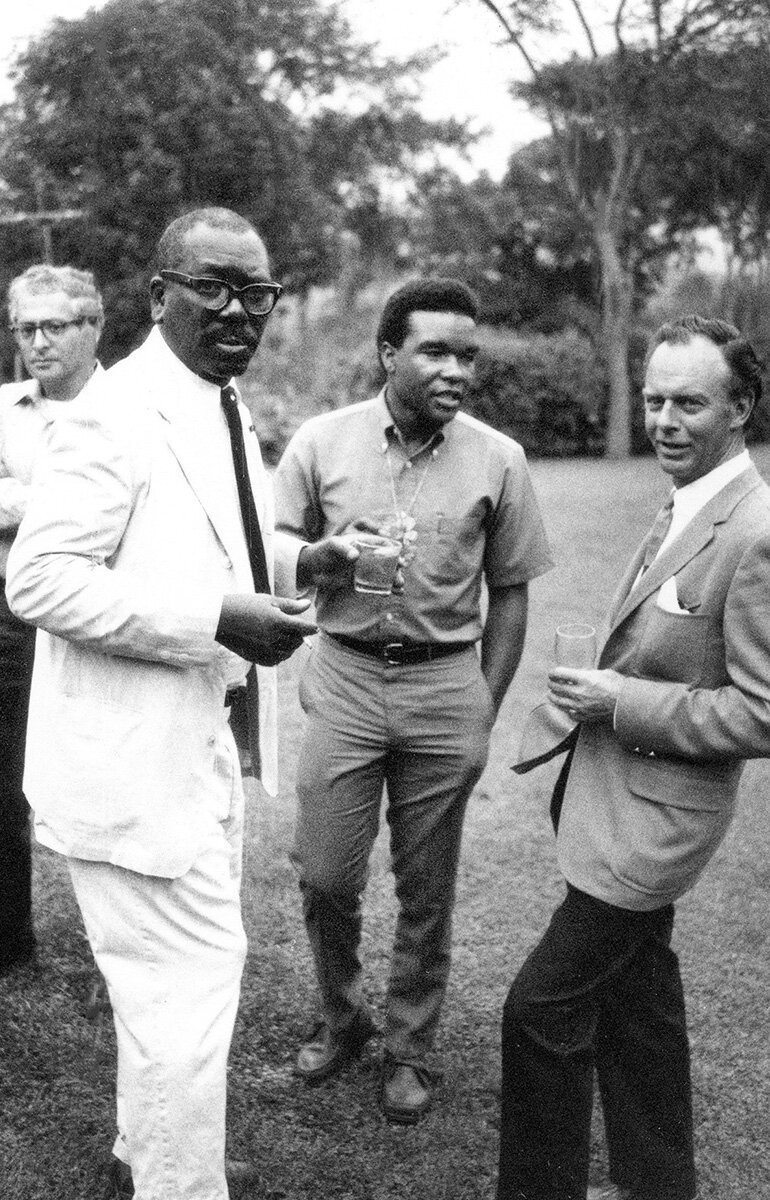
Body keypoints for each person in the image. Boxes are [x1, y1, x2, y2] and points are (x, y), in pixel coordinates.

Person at [5, 208, 315, 1200]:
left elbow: (212, 546)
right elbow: (41, 582)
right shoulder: (115, 408)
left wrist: (310, 562)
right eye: (212, 286)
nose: (236, 310)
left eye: (254, 292)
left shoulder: (218, 402)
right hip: (128, 767)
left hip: (195, 752)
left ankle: (146, 1155)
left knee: (170, 997)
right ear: (158, 295)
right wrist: (213, 622)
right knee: (189, 995)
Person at [498, 316, 770, 1200]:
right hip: (613, 800)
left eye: (689, 402)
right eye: (654, 399)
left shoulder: (756, 530)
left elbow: (761, 713)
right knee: (640, 1001)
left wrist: (624, 702)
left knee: (540, 1011)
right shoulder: (687, 501)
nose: (663, 420)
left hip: (656, 825)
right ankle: (660, 1182)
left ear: (742, 408)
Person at [273, 277, 553, 1123]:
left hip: (443, 685)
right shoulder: (321, 443)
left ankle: (411, 1046)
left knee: (428, 886)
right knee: (325, 877)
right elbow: (275, 542)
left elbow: (510, 592)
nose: (456, 369)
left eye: (468, 354)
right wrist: (316, 556)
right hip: (347, 673)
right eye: (436, 350)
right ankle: (343, 1012)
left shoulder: (498, 458)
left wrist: (484, 704)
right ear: (389, 353)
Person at [0, 264, 104, 981]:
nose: (38, 342)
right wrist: (45, 500)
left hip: (98, 618)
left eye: (54, 327)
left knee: (102, 785)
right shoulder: (7, 408)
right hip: (11, 616)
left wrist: (10, 500)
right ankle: (7, 937)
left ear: (94, 328)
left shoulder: (126, 410)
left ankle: (113, 959)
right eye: (25, 329)